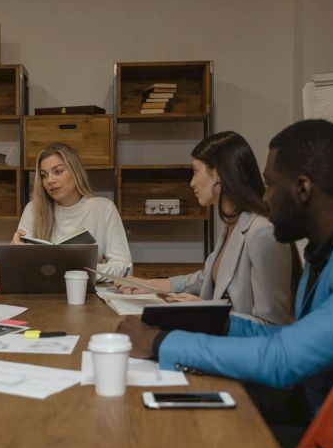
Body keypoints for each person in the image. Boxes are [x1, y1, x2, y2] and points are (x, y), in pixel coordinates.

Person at [117, 119, 333, 427]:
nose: (264, 197)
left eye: (271, 184)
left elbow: (283, 357)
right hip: (304, 403)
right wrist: (208, 320)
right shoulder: (330, 247)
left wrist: (160, 343)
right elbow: (287, 336)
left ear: (302, 189)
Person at [121, 131, 299, 325]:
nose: (191, 183)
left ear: (218, 174)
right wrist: (150, 285)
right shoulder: (232, 224)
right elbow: (206, 278)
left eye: (196, 171)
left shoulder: (262, 232)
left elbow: (273, 325)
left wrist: (205, 310)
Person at [11, 142, 131, 278]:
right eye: (44, 175)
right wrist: (17, 253)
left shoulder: (103, 208)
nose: (50, 180)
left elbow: (124, 267)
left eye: (58, 171)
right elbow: (19, 270)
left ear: (75, 171)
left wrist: (76, 272)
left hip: (86, 294)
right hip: (43, 294)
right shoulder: (33, 209)